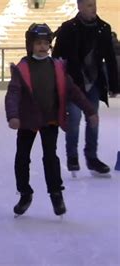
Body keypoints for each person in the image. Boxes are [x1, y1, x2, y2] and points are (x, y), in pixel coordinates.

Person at [5, 24, 98, 217]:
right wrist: (13, 115)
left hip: (50, 120)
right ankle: (25, 193)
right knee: (22, 157)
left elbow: (74, 92)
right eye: (38, 43)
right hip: (27, 121)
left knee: (50, 157)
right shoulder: (22, 69)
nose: (42, 47)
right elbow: (13, 94)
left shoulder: (57, 67)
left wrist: (90, 111)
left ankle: (56, 193)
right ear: (30, 45)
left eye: (46, 43)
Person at [52, 0, 119, 177]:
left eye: (94, 4)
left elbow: (110, 58)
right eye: (89, 5)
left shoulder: (103, 28)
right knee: (73, 118)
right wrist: (58, 81)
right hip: (73, 83)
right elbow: (57, 57)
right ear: (79, 7)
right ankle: (72, 157)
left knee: (93, 118)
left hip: (94, 82)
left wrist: (114, 84)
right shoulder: (68, 28)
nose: (93, 8)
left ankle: (92, 157)